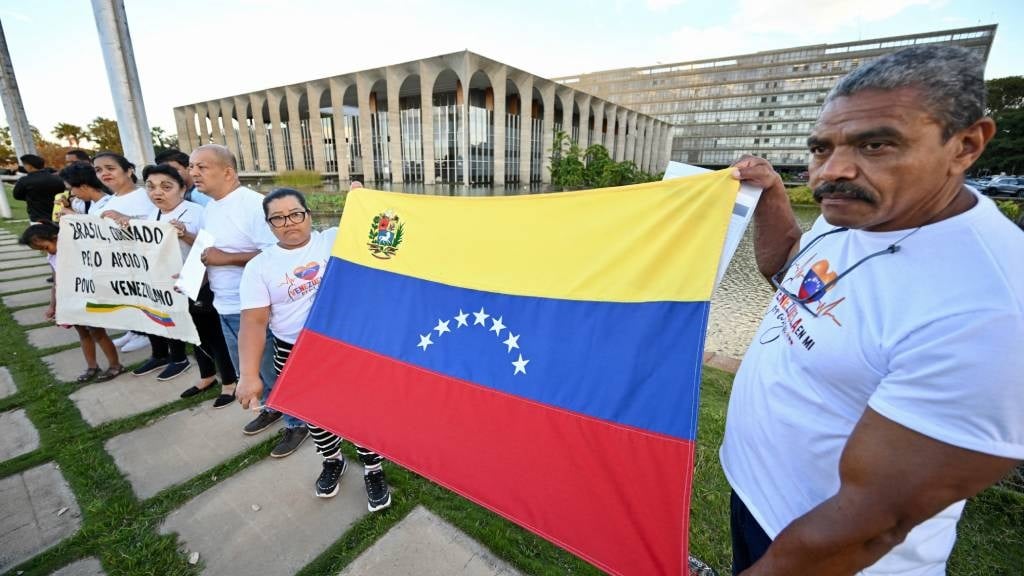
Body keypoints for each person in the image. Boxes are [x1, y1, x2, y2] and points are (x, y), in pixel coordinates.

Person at [721, 45, 1023, 576]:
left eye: (876, 144)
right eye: (821, 149)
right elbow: (792, 276)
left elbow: (873, 523)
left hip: (832, 558)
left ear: (966, 145)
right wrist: (772, 195)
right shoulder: (858, 212)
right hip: (756, 501)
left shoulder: (991, 308)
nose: (833, 171)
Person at [237, 188, 392, 510]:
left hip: (345, 348)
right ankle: (333, 460)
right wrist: (249, 374)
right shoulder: (259, 267)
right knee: (315, 417)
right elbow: (253, 322)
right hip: (295, 353)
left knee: (361, 412)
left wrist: (365, 201)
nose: (288, 223)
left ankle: (374, 469)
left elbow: (383, 228)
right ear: (269, 225)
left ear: (309, 215)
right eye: (277, 218)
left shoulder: (333, 239)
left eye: (295, 214)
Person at [189, 144, 308, 456]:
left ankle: (298, 422)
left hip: (258, 309)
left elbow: (278, 253)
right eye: (191, 167)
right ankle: (273, 407)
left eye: (202, 167)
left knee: (272, 369)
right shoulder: (209, 208)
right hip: (224, 304)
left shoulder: (254, 206)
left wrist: (225, 259)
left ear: (227, 172)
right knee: (250, 370)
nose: (193, 173)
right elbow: (207, 255)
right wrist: (192, 280)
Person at [93, 151, 156, 354]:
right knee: (127, 297)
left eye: (110, 168)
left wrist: (127, 220)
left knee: (143, 299)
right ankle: (135, 330)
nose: (104, 174)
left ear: (128, 171)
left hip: (140, 261)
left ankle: (147, 335)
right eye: (99, 170)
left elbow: (155, 228)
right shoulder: (109, 199)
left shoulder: (144, 197)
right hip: (117, 260)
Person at [12, 154, 64, 223]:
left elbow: (17, 196)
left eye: (24, 165)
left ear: (29, 166)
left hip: (37, 217)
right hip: (58, 215)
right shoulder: (57, 178)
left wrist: (30, 197)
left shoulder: (25, 180)